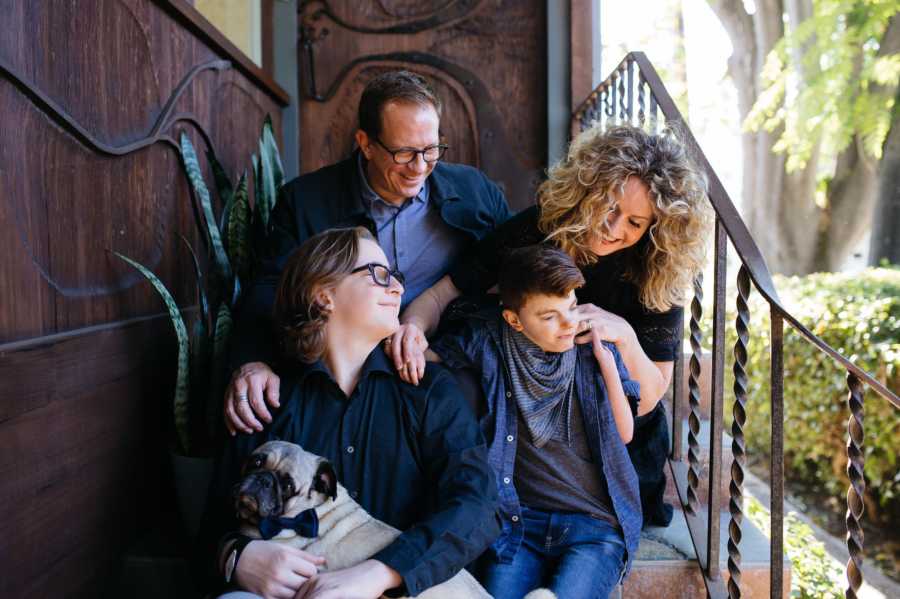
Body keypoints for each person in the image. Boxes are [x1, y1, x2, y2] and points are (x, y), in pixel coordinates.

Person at [397, 124, 712, 526]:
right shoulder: (540, 227)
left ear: (654, 227)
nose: (615, 228)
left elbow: (650, 397)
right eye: (610, 207)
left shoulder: (657, 269)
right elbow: (444, 293)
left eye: (635, 223)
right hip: (526, 414)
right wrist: (411, 328)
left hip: (608, 430)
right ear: (589, 189)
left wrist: (625, 334)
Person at [202, 227, 500, 599]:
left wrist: (383, 572)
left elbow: (479, 505)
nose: (397, 289)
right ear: (324, 294)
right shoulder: (269, 397)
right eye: (378, 274)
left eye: (396, 278)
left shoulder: (430, 391)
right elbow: (211, 524)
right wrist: (236, 557)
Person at [224, 70, 511, 435]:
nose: (420, 167)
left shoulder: (474, 190)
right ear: (366, 143)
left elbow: (512, 262)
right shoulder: (306, 201)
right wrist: (253, 361)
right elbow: (269, 288)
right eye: (404, 152)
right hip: (340, 365)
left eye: (431, 149)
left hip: (442, 359)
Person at [427, 245, 643, 599]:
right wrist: (405, 333)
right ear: (514, 320)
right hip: (519, 525)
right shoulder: (490, 343)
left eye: (571, 308)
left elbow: (625, 433)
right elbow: (425, 355)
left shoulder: (593, 348)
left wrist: (607, 366)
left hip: (594, 527)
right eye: (549, 317)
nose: (568, 324)